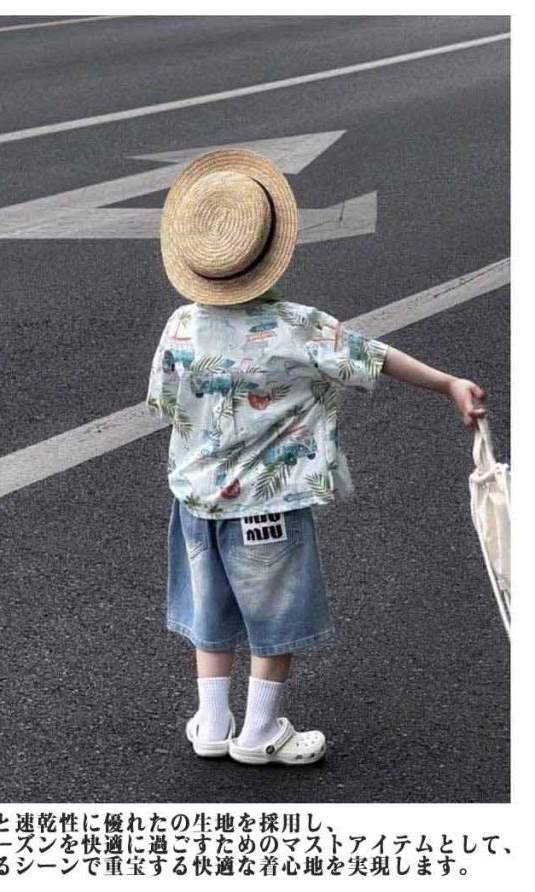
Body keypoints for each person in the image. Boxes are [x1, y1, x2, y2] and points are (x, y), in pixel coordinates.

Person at [147, 148, 487, 765]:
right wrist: (448, 384)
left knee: (210, 608)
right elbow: (374, 357)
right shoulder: (297, 325)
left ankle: (213, 721)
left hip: (195, 502)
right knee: (275, 616)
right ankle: (260, 731)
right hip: (269, 507)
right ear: (272, 251)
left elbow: (166, 402)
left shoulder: (180, 325)